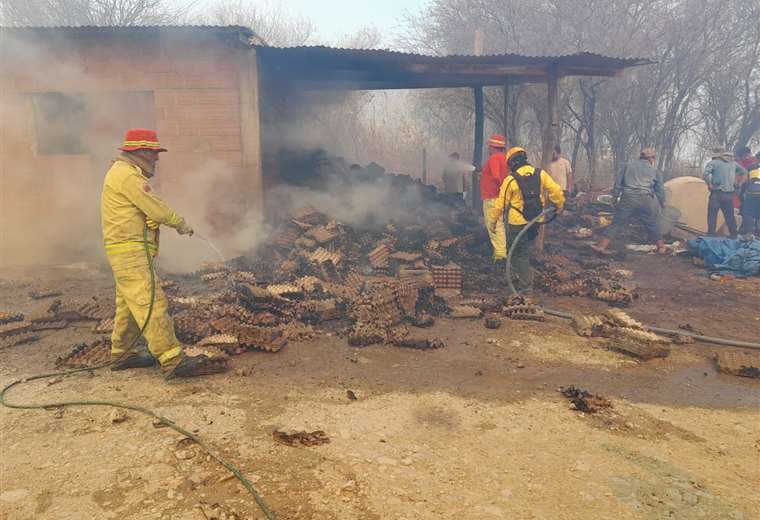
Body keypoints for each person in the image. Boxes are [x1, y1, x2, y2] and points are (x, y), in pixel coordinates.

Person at [101, 128, 226, 378]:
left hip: (125, 249)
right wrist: (180, 223)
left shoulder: (122, 173)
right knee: (151, 301)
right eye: (154, 153)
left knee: (129, 304)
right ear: (143, 152)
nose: (157, 158)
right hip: (130, 250)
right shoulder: (127, 176)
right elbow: (156, 208)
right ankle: (171, 359)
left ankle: (121, 354)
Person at [488, 147, 565, 294]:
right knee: (523, 251)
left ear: (511, 163)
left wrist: (492, 221)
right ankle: (520, 276)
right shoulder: (540, 173)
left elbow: (500, 204)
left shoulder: (511, 180)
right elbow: (555, 190)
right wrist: (559, 204)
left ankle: (525, 287)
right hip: (535, 221)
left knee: (518, 252)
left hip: (517, 224)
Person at [593, 148, 665, 254]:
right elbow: (660, 189)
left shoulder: (628, 166)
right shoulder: (655, 171)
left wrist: (615, 196)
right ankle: (661, 247)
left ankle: (601, 246)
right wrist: (662, 203)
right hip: (645, 199)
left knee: (617, 222)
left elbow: (618, 182)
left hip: (628, 198)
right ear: (651, 158)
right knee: (650, 223)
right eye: (653, 158)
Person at [704, 147, 745, 238]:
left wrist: (709, 184)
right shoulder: (733, 163)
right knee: (729, 215)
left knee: (712, 215)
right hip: (729, 195)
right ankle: (734, 234)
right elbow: (743, 172)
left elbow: (705, 174)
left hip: (716, 193)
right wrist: (738, 184)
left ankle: (711, 234)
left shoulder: (713, 163)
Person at [480, 134, 509, 261]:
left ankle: (500, 255)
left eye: (490, 147)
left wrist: (500, 189)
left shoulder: (494, 158)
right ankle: (500, 253)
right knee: (498, 224)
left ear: (493, 147)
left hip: (492, 197)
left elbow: (497, 177)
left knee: (494, 225)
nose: (488, 149)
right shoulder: (504, 158)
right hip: (497, 197)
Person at [738, 166, 760, 237]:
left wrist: (741, 195)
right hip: (753, 195)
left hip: (751, 195)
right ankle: (757, 232)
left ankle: (749, 233)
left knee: (748, 213)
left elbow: (745, 183)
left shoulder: (751, 168)